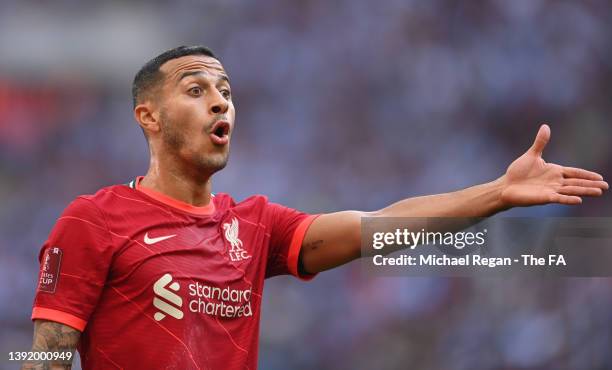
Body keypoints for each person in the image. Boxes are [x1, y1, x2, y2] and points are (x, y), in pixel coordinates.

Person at [22, 45, 608, 370]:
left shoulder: (252, 224)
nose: (219, 102)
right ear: (148, 116)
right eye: (196, 90)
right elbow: (43, 357)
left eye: (226, 90)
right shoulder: (93, 219)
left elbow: (379, 227)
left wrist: (497, 194)